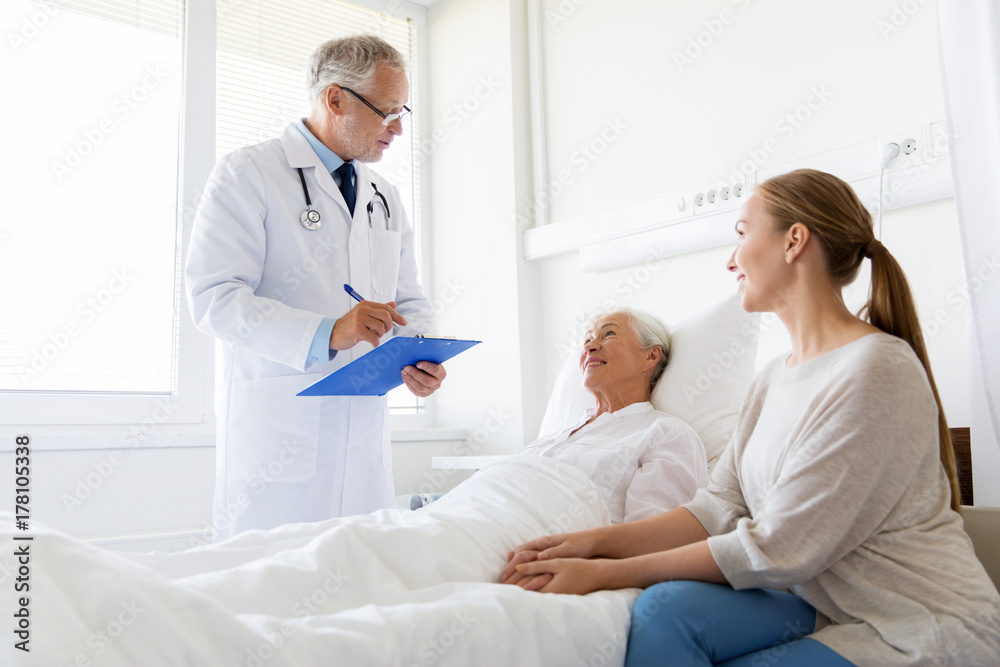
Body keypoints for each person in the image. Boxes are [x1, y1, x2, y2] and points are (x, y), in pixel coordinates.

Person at [502, 169, 1000, 666]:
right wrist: (590, 544)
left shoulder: (876, 370)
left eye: (741, 235)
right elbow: (716, 507)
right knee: (663, 611)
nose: (730, 259)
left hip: (917, 629)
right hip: (823, 606)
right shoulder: (772, 380)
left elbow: (778, 548)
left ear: (794, 241)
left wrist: (603, 573)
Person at [185, 35, 446, 541]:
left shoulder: (382, 195)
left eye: (402, 112)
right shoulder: (250, 173)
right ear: (335, 99)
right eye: (386, 111)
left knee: (358, 582)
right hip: (280, 437)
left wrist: (423, 353)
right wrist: (328, 332)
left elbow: (408, 298)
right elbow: (213, 298)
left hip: (363, 436)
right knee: (267, 587)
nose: (396, 128)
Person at [518, 308, 707, 523]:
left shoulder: (667, 435)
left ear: (651, 356)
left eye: (609, 334)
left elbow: (649, 542)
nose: (589, 347)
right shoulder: (551, 438)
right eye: (587, 339)